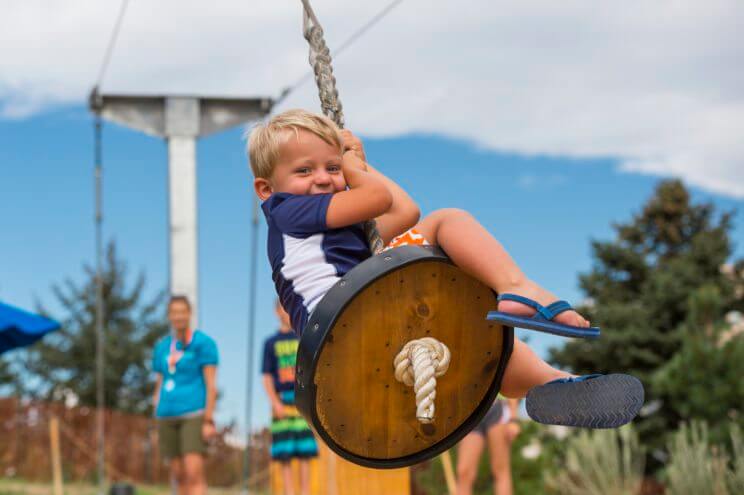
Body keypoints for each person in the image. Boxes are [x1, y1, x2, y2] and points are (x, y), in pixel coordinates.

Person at [247, 109, 643, 428]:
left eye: (331, 168)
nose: (323, 180)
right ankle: (517, 288)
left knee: (479, 336)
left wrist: (356, 166)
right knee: (447, 221)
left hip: (358, 328)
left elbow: (404, 211)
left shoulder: (330, 233)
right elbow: (381, 198)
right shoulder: (287, 212)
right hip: (346, 318)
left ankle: (550, 384)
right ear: (266, 189)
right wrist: (352, 168)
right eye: (304, 170)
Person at [152, 295, 219, 495]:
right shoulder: (162, 347)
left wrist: (208, 419)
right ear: (169, 316)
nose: (178, 316)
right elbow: (159, 383)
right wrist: (156, 413)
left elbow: (211, 384)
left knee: (193, 473)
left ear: (189, 314)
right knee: (178, 475)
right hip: (166, 414)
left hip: (193, 414)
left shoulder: (203, 343)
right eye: (174, 312)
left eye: (182, 311)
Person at [262, 300, 318, 495]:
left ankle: (305, 492)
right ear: (277, 311)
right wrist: (274, 402)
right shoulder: (270, 343)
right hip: (282, 401)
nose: (287, 313)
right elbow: (267, 376)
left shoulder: (305, 337)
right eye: (283, 308)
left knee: (305, 452)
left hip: (303, 401)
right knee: (284, 454)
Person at [456, 398, 521, 495]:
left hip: (497, 409)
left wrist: (513, 418)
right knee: (464, 472)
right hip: (472, 411)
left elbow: (508, 384)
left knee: (499, 470)